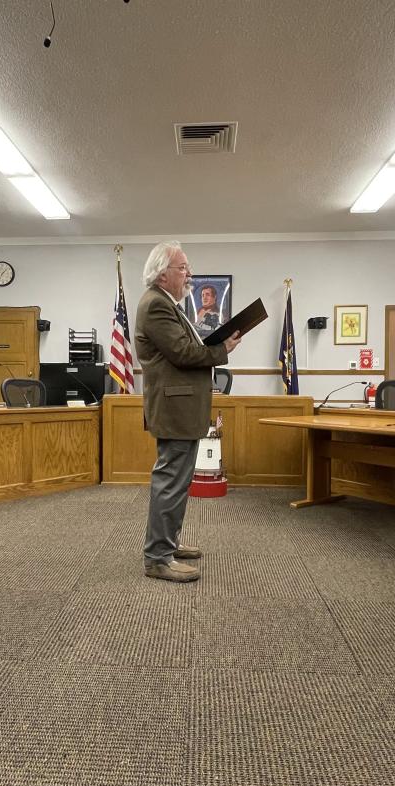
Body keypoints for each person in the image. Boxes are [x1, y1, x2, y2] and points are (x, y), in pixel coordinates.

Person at [135, 241, 241, 582]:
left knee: (178, 483)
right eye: (183, 268)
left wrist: (216, 345)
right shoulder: (155, 305)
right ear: (163, 274)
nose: (189, 274)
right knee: (170, 482)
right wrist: (222, 348)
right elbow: (182, 353)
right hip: (174, 407)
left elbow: (186, 350)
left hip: (181, 406)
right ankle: (157, 559)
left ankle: (166, 544)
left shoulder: (169, 304)